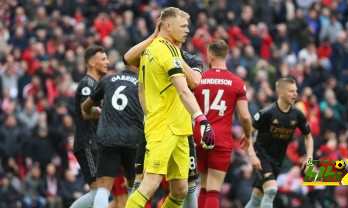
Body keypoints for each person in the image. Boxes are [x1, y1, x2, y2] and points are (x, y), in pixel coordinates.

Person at [125, 7, 215, 208]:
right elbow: (183, 91)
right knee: (149, 184)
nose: (187, 31)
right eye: (183, 26)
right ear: (168, 26)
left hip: (180, 128)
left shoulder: (153, 52)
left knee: (181, 190)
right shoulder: (161, 50)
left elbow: (142, 89)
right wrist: (202, 119)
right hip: (164, 126)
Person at [192, 39, 253, 208]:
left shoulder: (199, 79)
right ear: (226, 56)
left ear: (210, 56)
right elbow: (245, 117)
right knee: (213, 190)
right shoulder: (236, 82)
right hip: (220, 138)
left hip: (199, 136)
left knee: (204, 186)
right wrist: (247, 135)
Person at [81, 64, 144, 208]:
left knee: (103, 189)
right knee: (134, 186)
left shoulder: (108, 79)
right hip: (133, 139)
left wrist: (96, 110)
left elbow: (85, 106)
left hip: (108, 138)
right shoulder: (142, 83)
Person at [245, 77, 314, 208]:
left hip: (277, 161)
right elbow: (247, 133)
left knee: (257, 198)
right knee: (271, 191)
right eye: (291, 91)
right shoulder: (267, 113)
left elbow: (308, 137)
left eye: (296, 91)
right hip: (261, 157)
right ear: (281, 93)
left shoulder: (298, 114)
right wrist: (252, 156)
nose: (296, 94)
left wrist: (309, 156)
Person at [70, 45, 109, 208]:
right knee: (98, 191)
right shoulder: (87, 83)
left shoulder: (96, 84)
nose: (107, 62)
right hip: (87, 143)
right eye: (103, 59)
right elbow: (86, 112)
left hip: (94, 142)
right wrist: (107, 111)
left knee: (101, 191)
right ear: (92, 63)